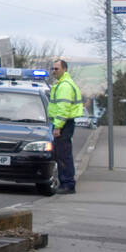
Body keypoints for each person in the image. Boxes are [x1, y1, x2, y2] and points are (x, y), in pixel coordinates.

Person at [47, 59, 83, 193]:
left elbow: (63, 109)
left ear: (64, 69)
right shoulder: (62, 84)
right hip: (64, 123)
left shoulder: (64, 86)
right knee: (62, 154)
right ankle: (65, 183)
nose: (54, 71)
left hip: (63, 124)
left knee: (63, 154)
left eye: (57, 69)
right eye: (53, 69)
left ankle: (68, 184)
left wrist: (57, 127)